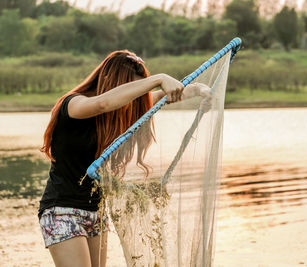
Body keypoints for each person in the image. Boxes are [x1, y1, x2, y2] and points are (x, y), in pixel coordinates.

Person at [38, 50, 209, 267]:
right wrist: (157, 79)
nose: (134, 98)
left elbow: (160, 99)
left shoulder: (119, 111)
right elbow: (103, 104)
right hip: (61, 211)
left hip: (95, 212)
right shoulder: (73, 104)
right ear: (112, 82)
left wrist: (199, 90)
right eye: (131, 89)